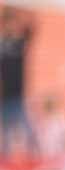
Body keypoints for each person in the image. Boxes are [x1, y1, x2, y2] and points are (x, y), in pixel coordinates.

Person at [0, 5, 38, 157]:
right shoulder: (2, 45)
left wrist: (21, 11)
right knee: (6, 134)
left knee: (27, 131)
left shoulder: (19, 43)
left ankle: (34, 156)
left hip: (18, 96)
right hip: (5, 97)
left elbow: (31, 29)